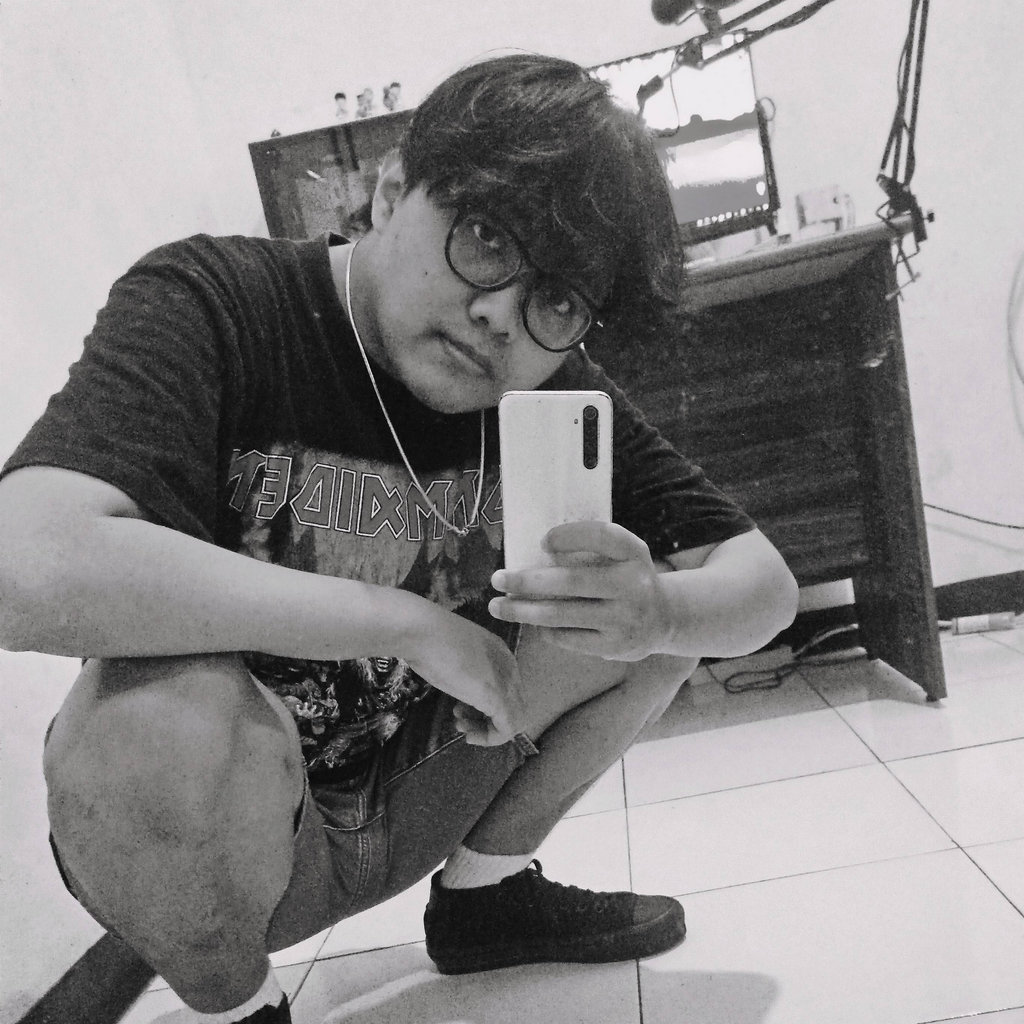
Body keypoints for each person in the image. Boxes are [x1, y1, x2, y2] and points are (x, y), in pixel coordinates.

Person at [0, 53, 797, 1024]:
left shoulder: (547, 384)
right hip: (249, 835)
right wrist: (401, 621)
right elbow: (22, 564)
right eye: (485, 237)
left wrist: (660, 608)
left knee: (655, 613)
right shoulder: (219, 300)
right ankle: (240, 1006)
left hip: (428, 778)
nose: (500, 314)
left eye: (555, 299)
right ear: (388, 191)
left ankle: (487, 902)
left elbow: (764, 586)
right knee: (137, 727)